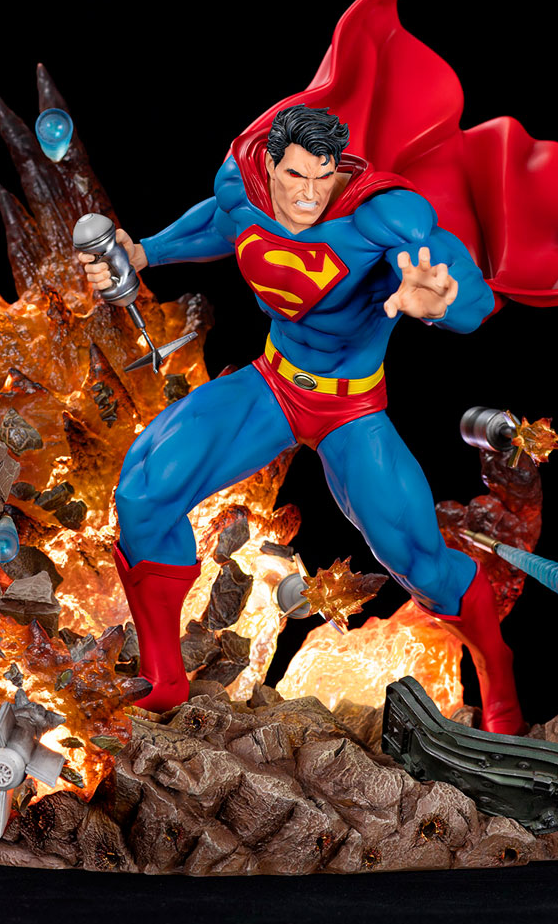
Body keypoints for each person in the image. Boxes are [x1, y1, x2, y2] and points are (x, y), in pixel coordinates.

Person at [79, 103, 529, 734]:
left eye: (324, 178)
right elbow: (222, 222)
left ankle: (497, 674)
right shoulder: (243, 185)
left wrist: (443, 302)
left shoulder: (383, 218)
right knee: (144, 488)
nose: (310, 196)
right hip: (273, 383)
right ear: (270, 166)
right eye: (295, 177)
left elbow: (470, 296)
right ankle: (163, 678)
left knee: (420, 560)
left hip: (351, 407)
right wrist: (147, 251)